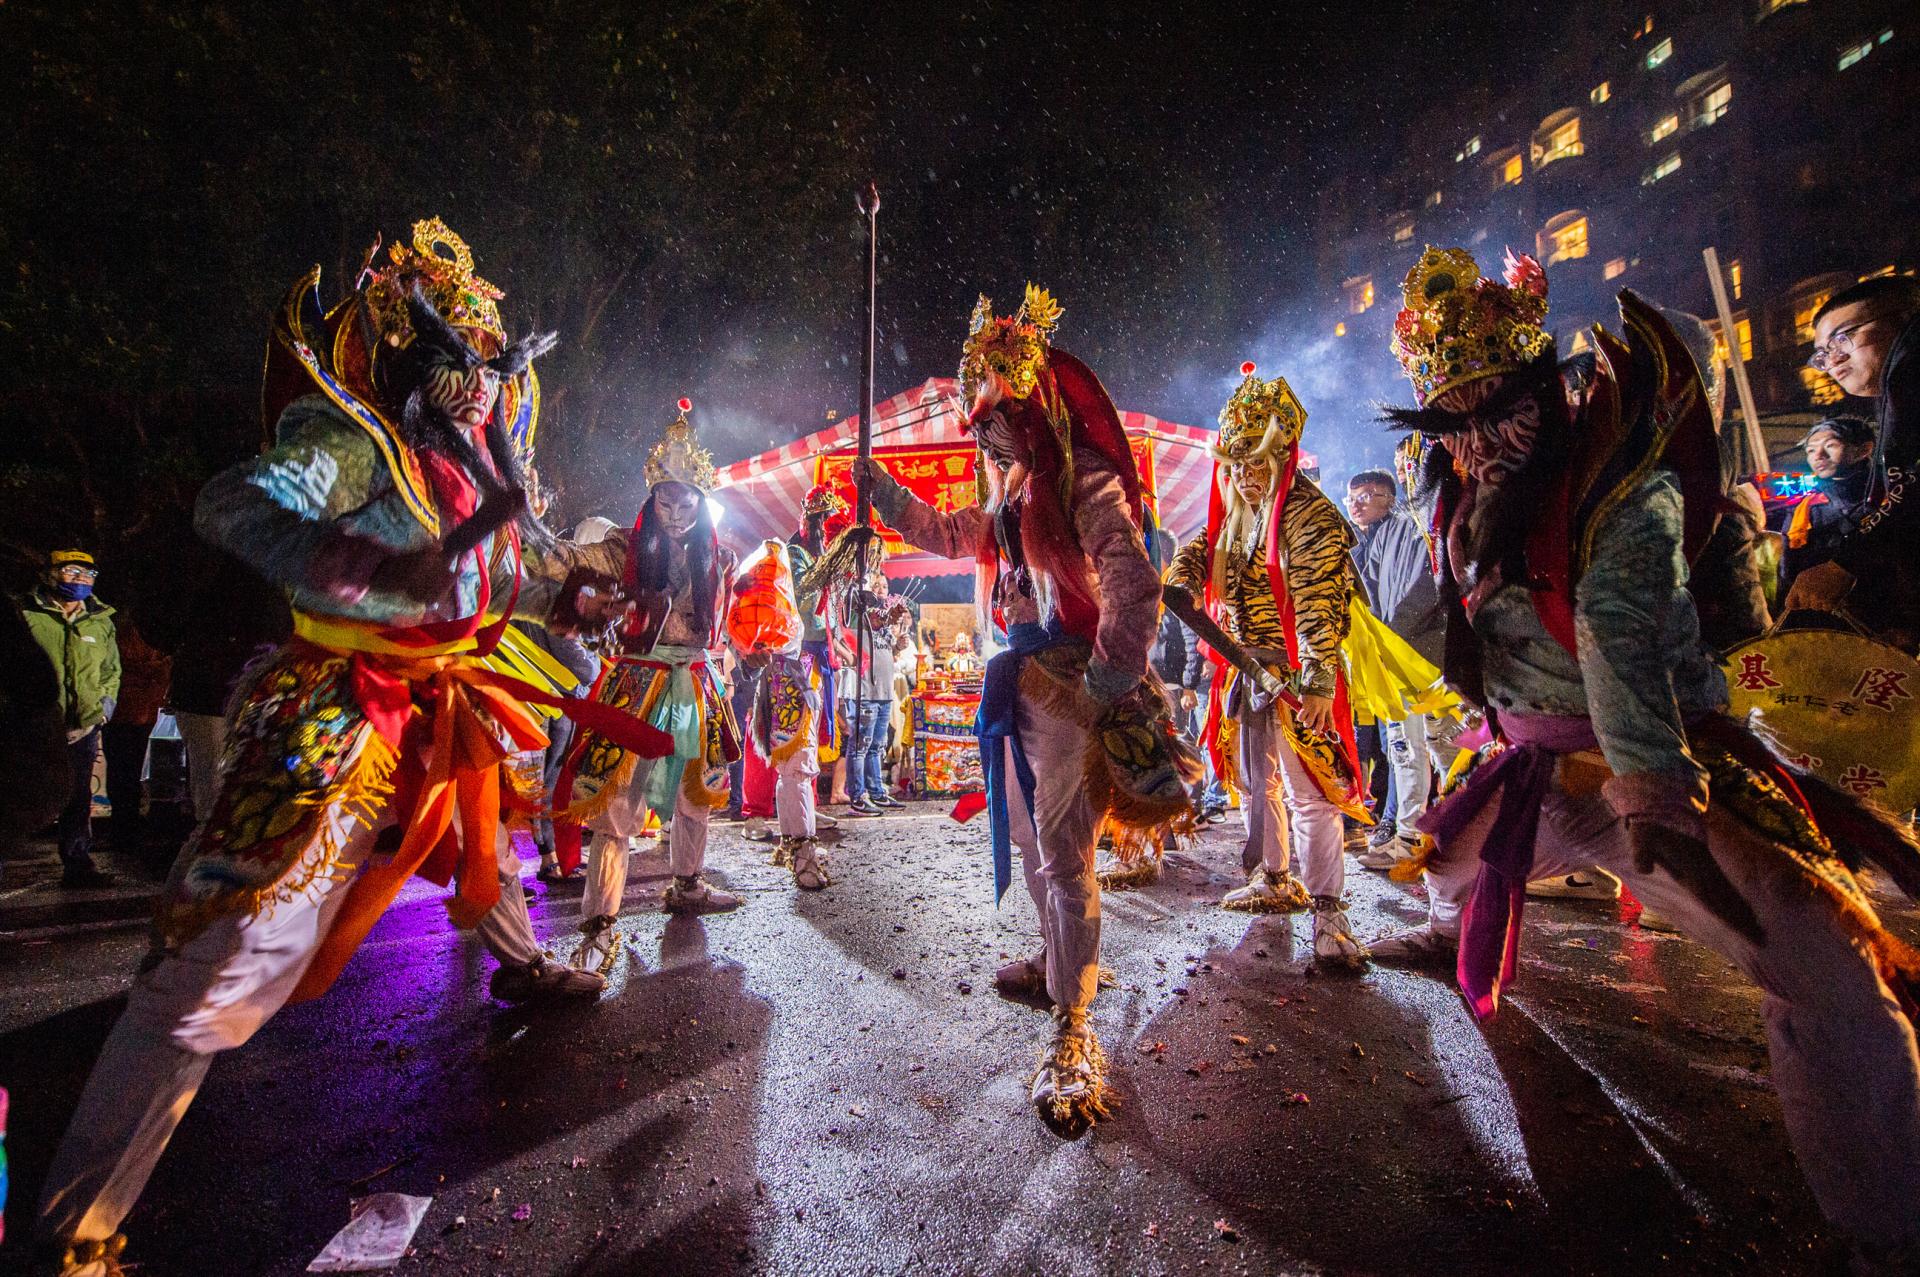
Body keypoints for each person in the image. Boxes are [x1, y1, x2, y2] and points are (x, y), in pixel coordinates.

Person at [33, 219, 646, 1277]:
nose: (488, 392)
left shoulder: (482, 466)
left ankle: (527, 961)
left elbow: (518, 572)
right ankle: (70, 1233)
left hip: (452, 709)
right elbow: (234, 500)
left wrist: (572, 595)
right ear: (416, 363)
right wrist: (355, 557)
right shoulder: (355, 439)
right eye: (466, 369)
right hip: (340, 712)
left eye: (498, 370)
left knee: (481, 837)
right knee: (220, 961)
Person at [1372, 245, 1920, 1271]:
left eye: (1502, 411)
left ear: (1547, 391)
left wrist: (1657, 795)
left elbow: (1615, 629)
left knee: (1828, 969)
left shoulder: (1629, 488)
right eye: (1456, 420)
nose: (1482, 441)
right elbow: (1426, 621)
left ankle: (1888, 1231)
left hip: (1657, 762)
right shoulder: (1452, 493)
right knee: (1445, 867)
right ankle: (1446, 932)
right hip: (1532, 773)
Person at [856, 284, 1189, 1135]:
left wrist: (1108, 686)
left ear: (1031, 405)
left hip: (1072, 690)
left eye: (997, 416)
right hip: (1019, 684)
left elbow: (1134, 584)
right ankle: (1055, 961)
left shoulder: (1083, 479)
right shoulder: (1010, 492)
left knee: (1068, 858)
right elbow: (944, 531)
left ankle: (1074, 1027)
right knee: (1036, 843)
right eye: (982, 423)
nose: (986, 433)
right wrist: (880, 490)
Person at [1164, 364, 1372, 965]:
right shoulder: (1236, 509)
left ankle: (1330, 916)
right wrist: (1180, 576)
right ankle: (1276, 877)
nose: (1244, 476)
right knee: (1261, 783)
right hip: (1248, 669)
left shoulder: (1309, 517)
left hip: (1297, 671)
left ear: (1281, 456)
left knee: (1312, 793)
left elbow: (1317, 605)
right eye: (1234, 464)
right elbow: (1201, 546)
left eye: (1255, 463)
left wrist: (1314, 681)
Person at [551, 401, 744, 974]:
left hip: (697, 678)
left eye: (687, 501)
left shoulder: (721, 557)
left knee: (696, 791)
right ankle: (599, 922)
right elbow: (572, 561)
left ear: (702, 502)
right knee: (618, 802)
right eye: (666, 499)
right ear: (652, 499)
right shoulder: (622, 546)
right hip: (640, 682)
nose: (677, 510)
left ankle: (687, 883)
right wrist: (537, 540)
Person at [1784, 275, 1920, 649]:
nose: (1833, 360)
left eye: (1844, 337)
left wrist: (1844, 566)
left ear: (1906, 318)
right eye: (1823, 354)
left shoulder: (1910, 368)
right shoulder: (1898, 389)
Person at [1345, 468, 1445, 873]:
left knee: (1421, 748)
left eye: (1368, 494)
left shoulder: (1408, 528)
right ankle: (1408, 833)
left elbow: (1422, 589)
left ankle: (1414, 837)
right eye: (1352, 495)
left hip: (1416, 660)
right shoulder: (1369, 542)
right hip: (1397, 661)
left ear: (1390, 497)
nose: (1358, 502)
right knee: (1406, 749)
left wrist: (1389, 641)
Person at [20, 549, 120, 888]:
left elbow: (111, 669)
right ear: (50, 574)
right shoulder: (25, 615)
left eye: (88, 575)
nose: (80, 581)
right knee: (20, 791)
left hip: (83, 726)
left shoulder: (101, 621)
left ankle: (77, 863)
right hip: (33, 724)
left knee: (78, 796)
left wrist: (103, 706)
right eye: (72, 572)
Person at [100, 616, 171, 867]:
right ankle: (124, 833)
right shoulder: (128, 633)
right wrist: (157, 668)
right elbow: (121, 666)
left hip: (147, 716)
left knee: (135, 778)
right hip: (128, 716)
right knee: (125, 777)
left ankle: (132, 831)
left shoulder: (150, 632)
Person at [842, 558, 911, 817]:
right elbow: (861, 630)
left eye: (884, 585)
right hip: (862, 690)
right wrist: (885, 619)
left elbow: (886, 650)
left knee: (877, 746)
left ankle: (877, 792)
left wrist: (898, 646)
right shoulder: (856, 611)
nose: (881, 590)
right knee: (860, 745)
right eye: (876, 585)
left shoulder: (883, 618)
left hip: (883, 690)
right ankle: (857, 796)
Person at [1780, 415, 1878, 595]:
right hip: (1822, 610)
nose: (1818, 456)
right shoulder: (1806, 508)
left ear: (1864, 450)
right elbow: (1789, 571)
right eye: (1810, 450)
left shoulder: (1890, 497)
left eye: (1830, 445)